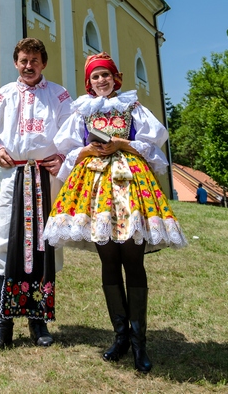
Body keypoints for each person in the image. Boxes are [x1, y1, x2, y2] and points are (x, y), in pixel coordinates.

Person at [43, 52, 187, 373]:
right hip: (94, 187)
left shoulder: (132, 107)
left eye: (105, 75)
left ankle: (139, 342)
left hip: (130, 184)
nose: (101, 81)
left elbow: (154, 141)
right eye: (95, 77)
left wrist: (123, 144)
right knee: (107, 258)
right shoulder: (82, 110)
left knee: (132, 259)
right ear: (89, 82)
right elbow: (65, 146)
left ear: (115, 77)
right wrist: (87, 149)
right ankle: (120, 335)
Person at [0, 37, 73, 350]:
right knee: (7, 241)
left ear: (43, 63)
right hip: (14, 176)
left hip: (47, 177)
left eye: (34, 60)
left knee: (45, 246)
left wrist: (63, 157)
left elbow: (73, 135)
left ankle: (37, 319)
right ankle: (1, 323)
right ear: (16, 63)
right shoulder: (4, 94)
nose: (28, 66)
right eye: (23, 61)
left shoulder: (59, 95)